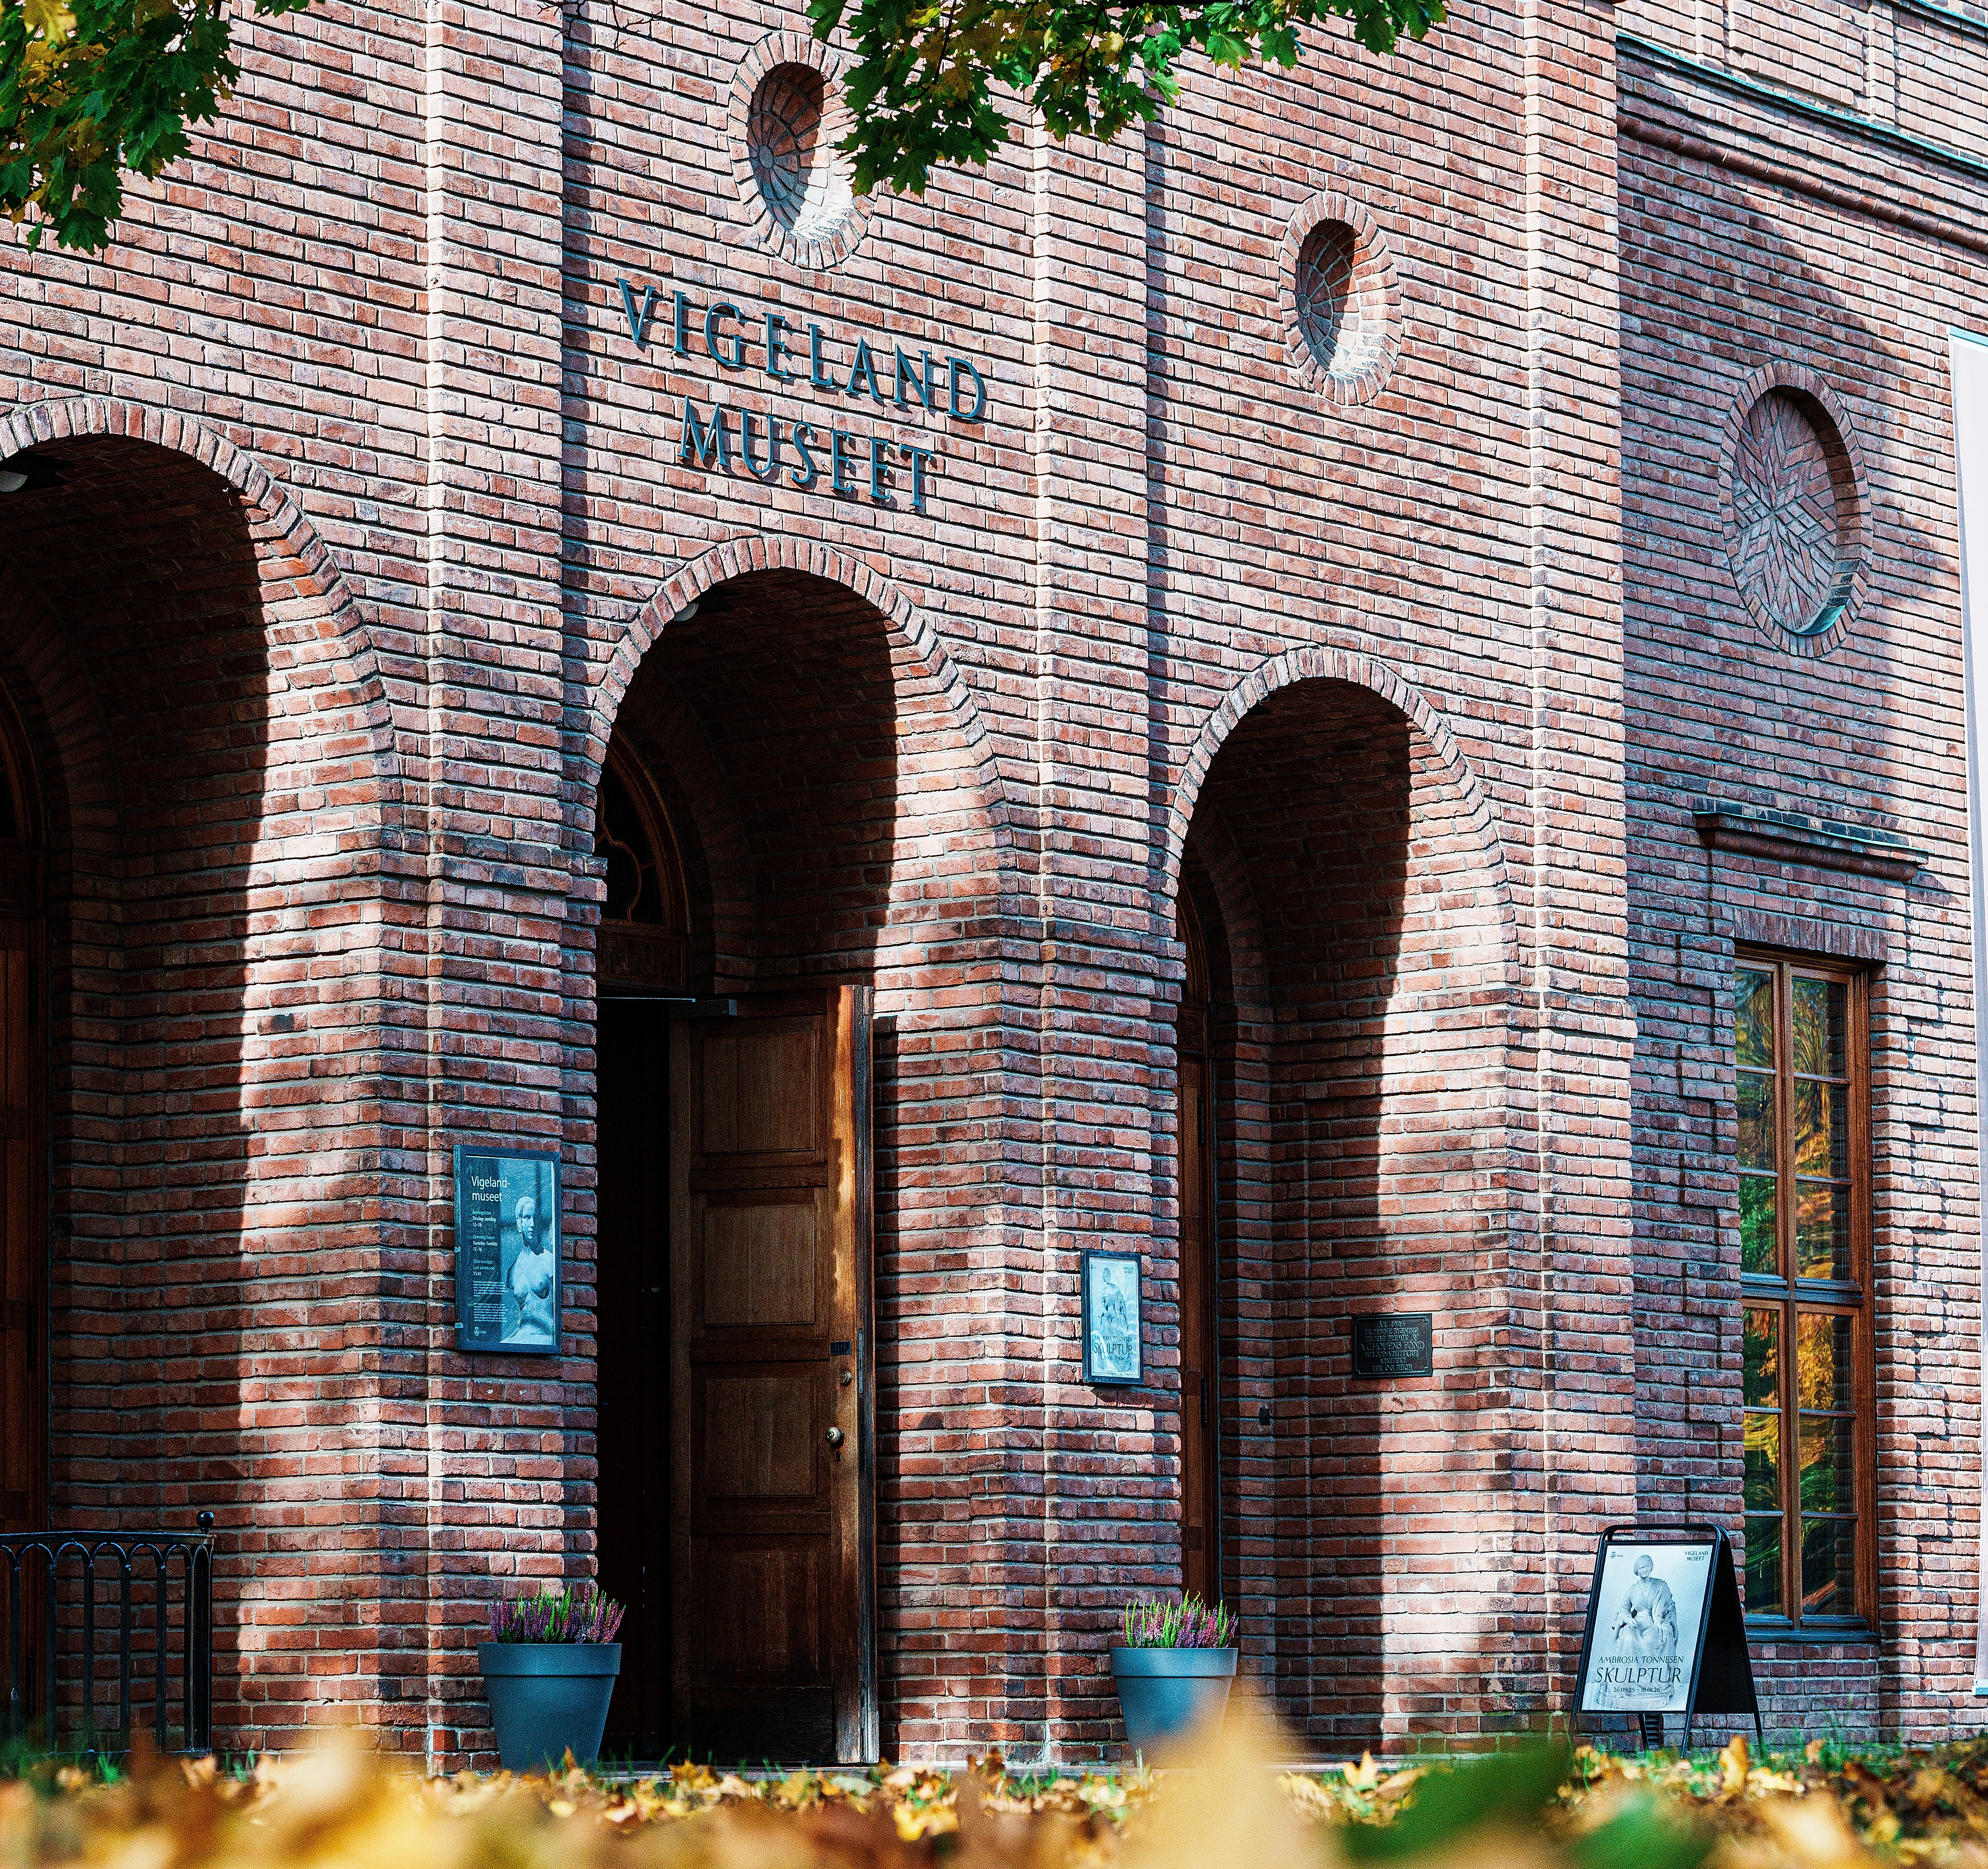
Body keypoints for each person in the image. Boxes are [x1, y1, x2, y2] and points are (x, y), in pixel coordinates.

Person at [507, 1191, 557, 1344]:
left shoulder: (549, 1261)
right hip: (522, 1336)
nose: (533, 1224)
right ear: (519, 1223)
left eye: (536, 1218)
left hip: (545, 1337)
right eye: (527, 1218)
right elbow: (516, 1317)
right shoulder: (513, 1270)